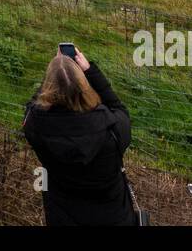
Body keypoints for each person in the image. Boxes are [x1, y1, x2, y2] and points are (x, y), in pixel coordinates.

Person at [22, 45, 136, 226]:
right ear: (84, 87)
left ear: (48, 90)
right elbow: (119, 109)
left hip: (62, 217)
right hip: (112, 217)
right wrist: (90, 71)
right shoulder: (111, 130)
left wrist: (55, 75)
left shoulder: (35, 127)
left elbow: (31, 108)